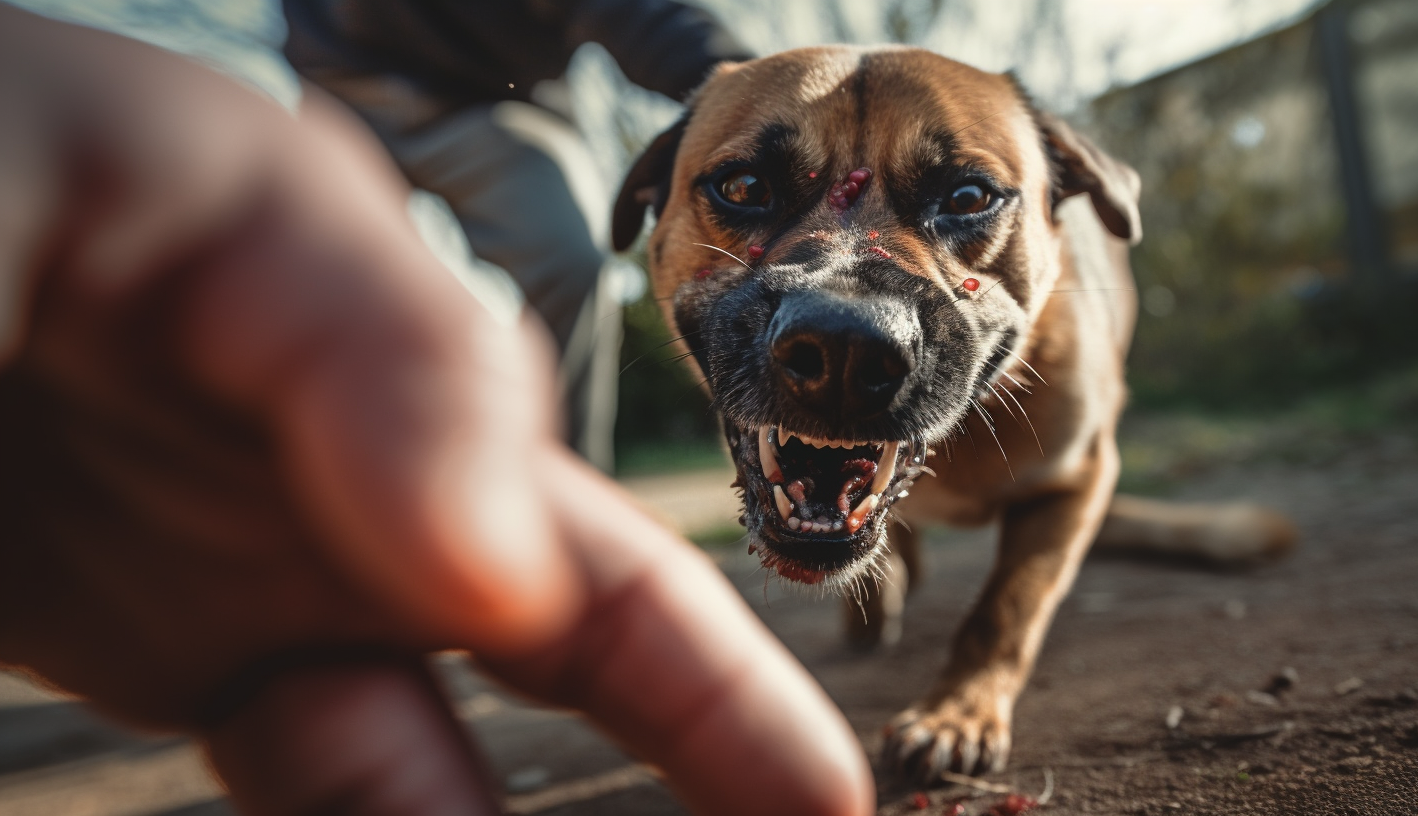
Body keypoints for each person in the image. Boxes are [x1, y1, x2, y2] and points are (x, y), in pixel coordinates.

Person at [0, 5, 874, 815]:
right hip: (337, 85)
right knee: (303, 280)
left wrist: (728, 75)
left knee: (563, 244)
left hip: (505, 103)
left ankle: (556, 499)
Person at [283, 0, 756, 472]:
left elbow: (637, 12)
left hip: (493, 104)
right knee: (296, 282)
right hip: (335, 91)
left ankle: (571, 479)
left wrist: (759, 88)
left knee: (566, 255)